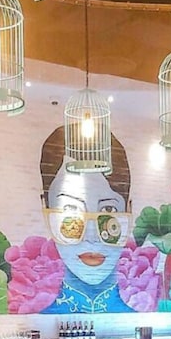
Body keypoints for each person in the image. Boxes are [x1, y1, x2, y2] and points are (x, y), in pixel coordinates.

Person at [38, 127, 134, 314]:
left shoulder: (140, 318)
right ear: (46, 209)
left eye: (108, 210)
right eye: (71, 211)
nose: (92, 237)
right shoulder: (39, 319)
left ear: (128, 211)